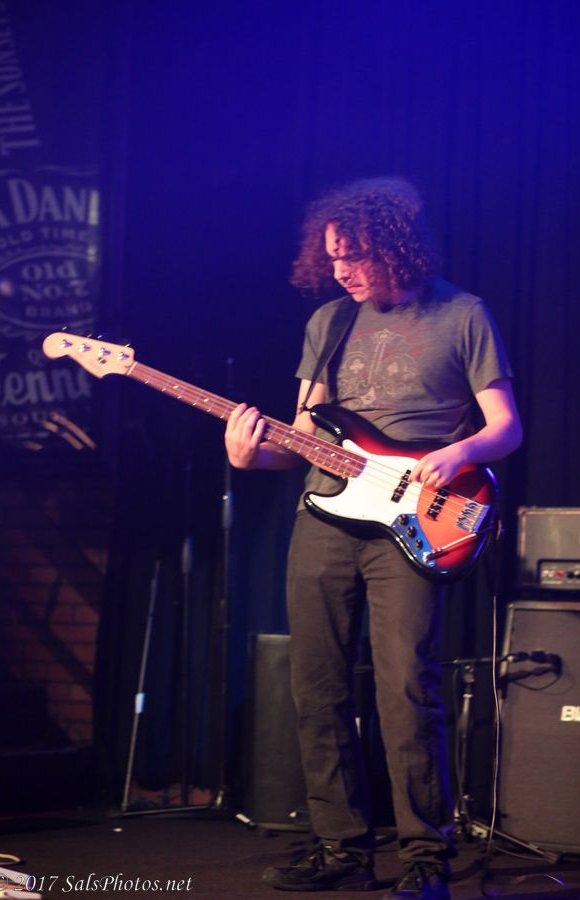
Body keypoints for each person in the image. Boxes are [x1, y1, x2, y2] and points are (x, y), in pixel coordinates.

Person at [224, 177, 522, 899]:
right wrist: (250, 456)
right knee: (316, 684)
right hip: (324, 517)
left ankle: (425, 857)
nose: (340, 271)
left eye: (353, 256)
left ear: (396, 247)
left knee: (405, 687)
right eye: (331, 257)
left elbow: (506, 427)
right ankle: (341, 847)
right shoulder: (328, 323)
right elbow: (301, 439)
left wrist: (457, 454)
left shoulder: (462, 314)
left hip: (414, 518)